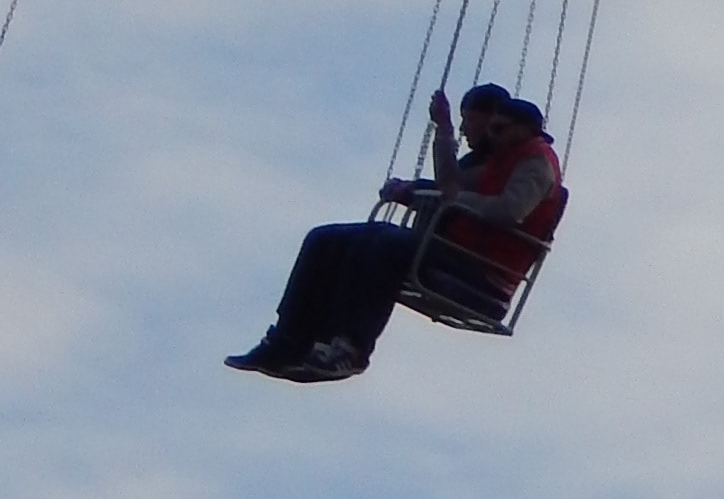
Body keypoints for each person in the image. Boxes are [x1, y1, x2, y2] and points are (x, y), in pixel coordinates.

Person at [228, 84, 567, 383]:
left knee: (384, 244)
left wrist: (453, 199)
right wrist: (443, 133)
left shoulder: (535, 164)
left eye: (499, 129)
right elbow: (450, 184)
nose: (491, 137)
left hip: (480, 272)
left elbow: (509, 210)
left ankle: (350, 346)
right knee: (326, 239)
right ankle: (289, 340)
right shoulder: (500, 161)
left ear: (522, 130)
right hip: (457, 254)